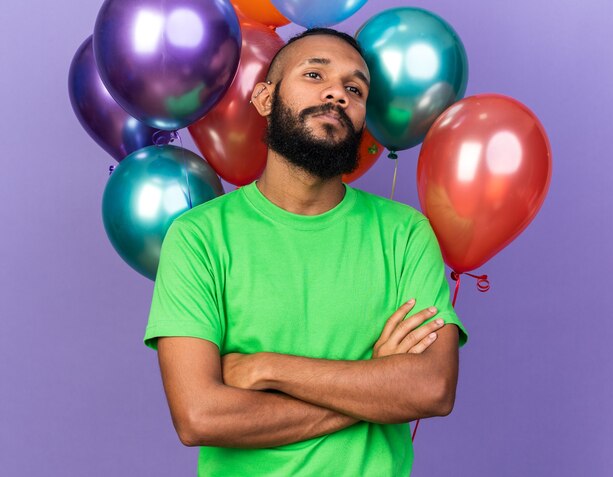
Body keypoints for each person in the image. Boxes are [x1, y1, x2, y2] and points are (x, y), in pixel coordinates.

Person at [144, 28, 468, 476]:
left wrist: (266, 368)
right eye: (314, 74)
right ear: (264, 99)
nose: (337, 93)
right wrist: (375, 381)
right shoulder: (199, 236)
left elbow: (432, 388)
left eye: (355, 89)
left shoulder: (405, 233)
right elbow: (200, 416)